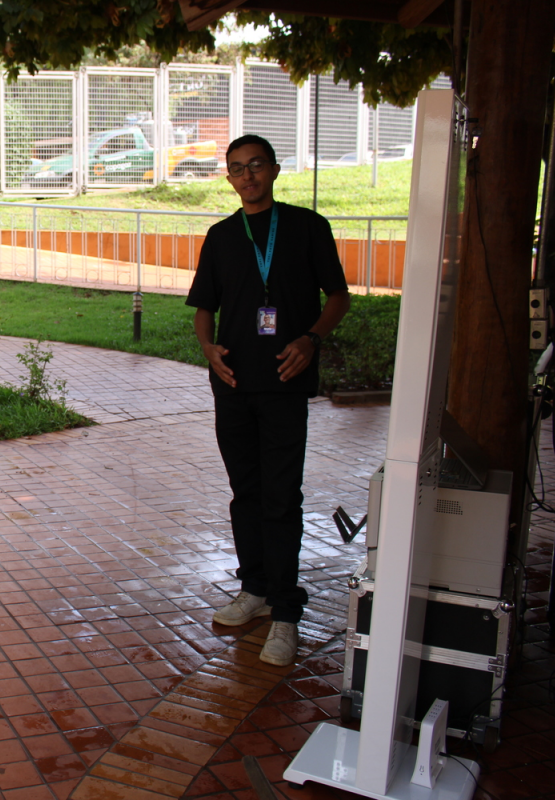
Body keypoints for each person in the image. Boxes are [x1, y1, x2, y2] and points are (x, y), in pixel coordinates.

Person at [186, 134, 350, 667]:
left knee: (281, 497)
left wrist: (311, 339)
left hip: (284, 381)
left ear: (275, 170)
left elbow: (339, 296)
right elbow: (204, 307)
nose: (248, 176)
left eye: (256, 165)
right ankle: (254, 588)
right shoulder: (221, 236)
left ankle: (285, 611)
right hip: (233, 384)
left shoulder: (307, 227)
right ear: (229, 178)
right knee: (246, 494)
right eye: (237, 168)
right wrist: (207, 348)